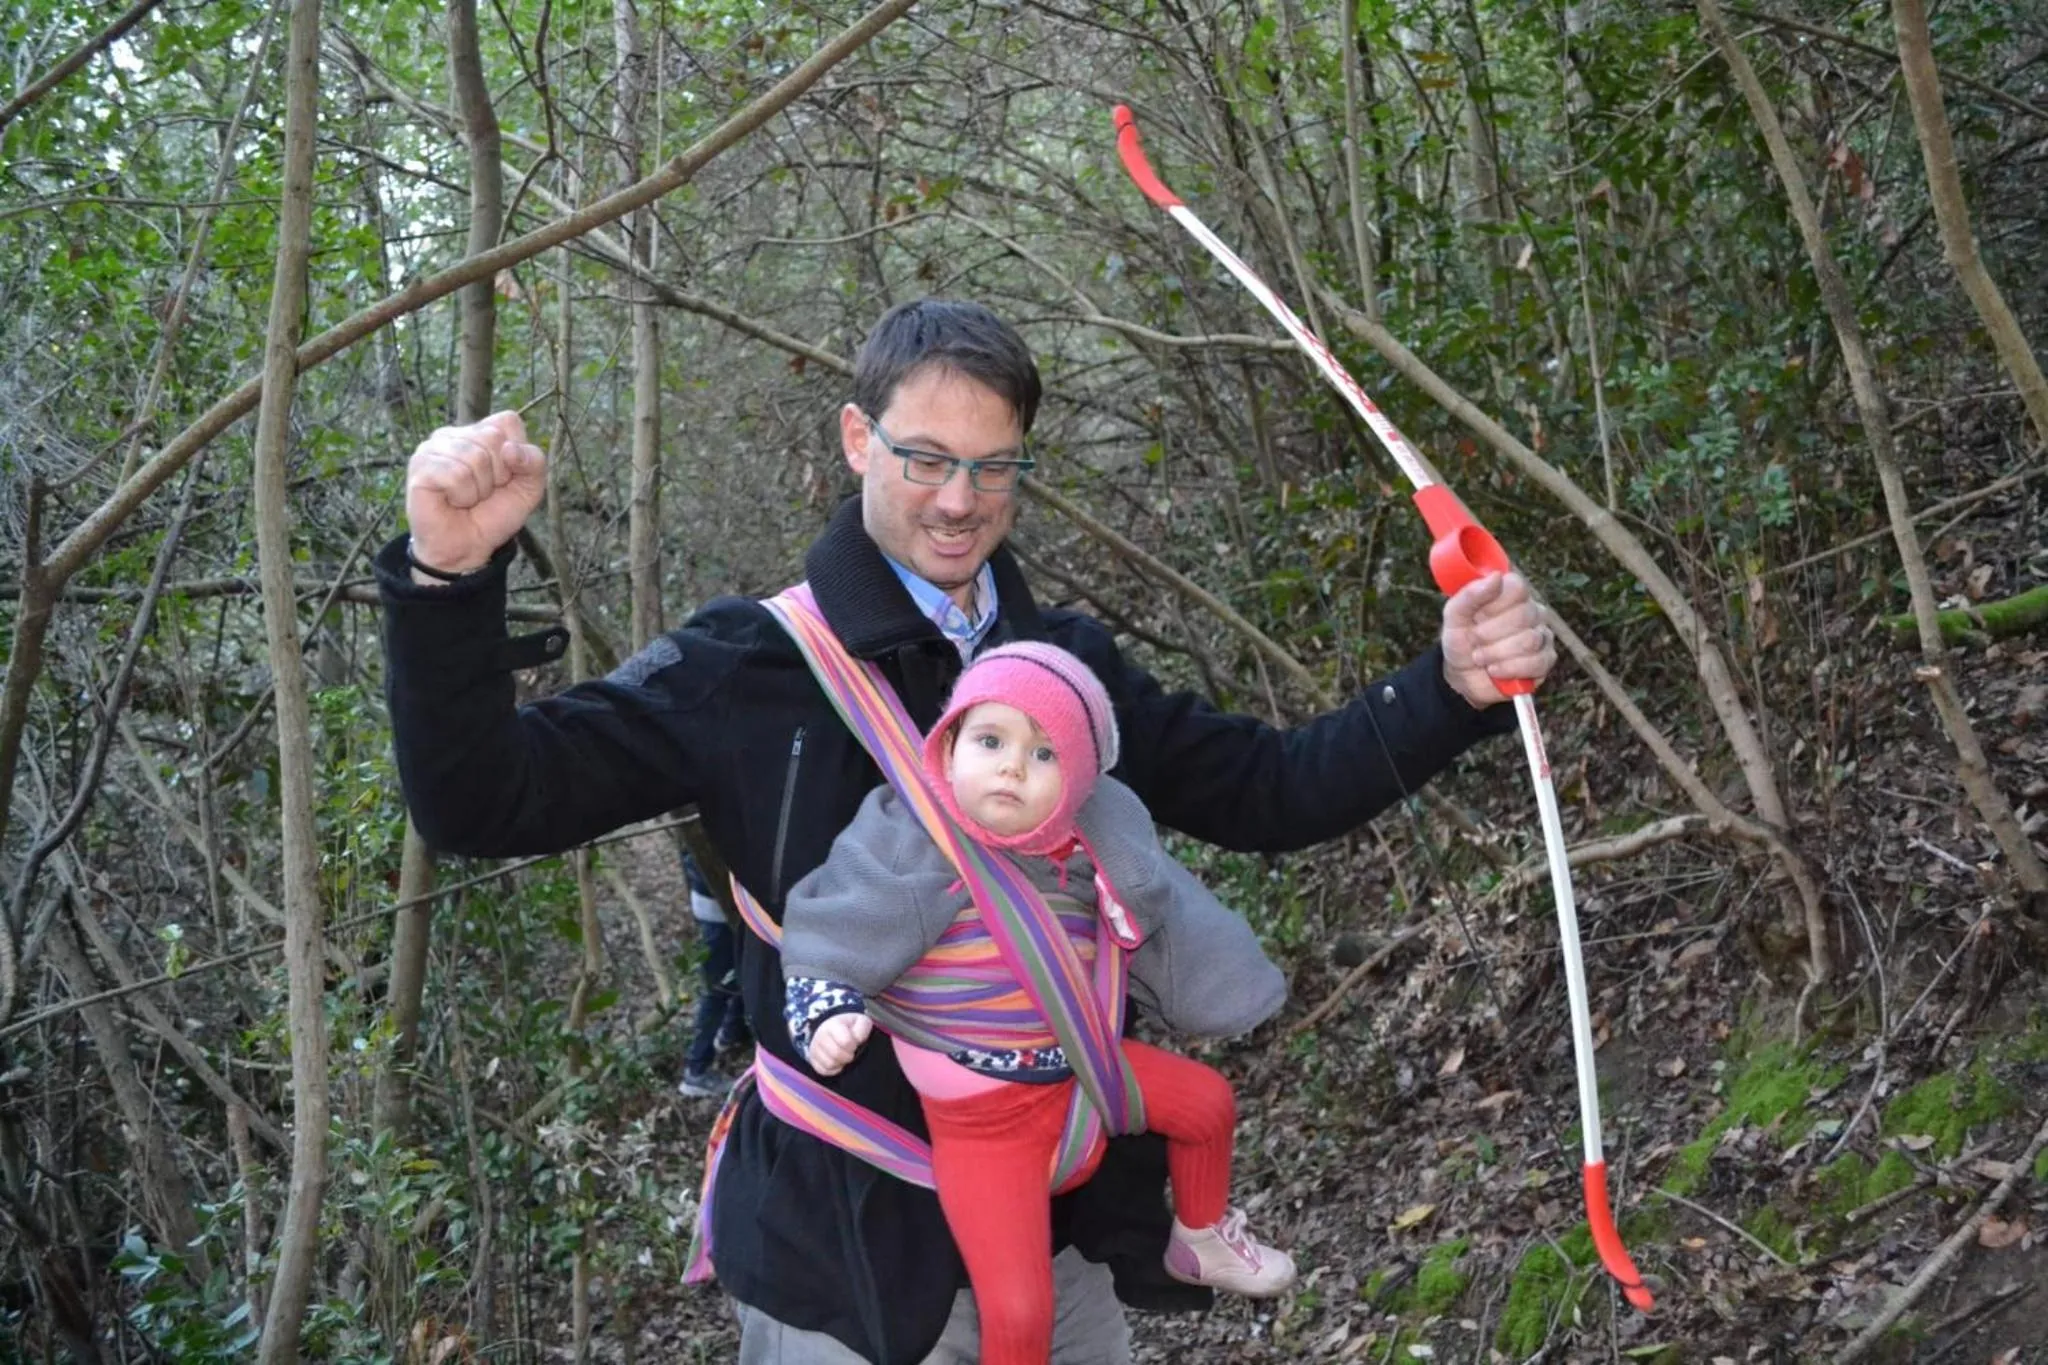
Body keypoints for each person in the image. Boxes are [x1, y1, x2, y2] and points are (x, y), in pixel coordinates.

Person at [377, 298, 1556, 1365]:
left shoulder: (1064, 675)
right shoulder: (747, 668)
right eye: (926, 459)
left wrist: (1447, 688)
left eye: (992, 468)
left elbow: (1267, 790)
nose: (957, 500)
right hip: (840, 1255)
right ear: (857, 440)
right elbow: (485, 802)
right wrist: (447, 584)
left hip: (1056, 1239)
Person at [782, 642, 1294, 1363]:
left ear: (1078, 781)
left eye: (1044, 754)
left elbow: (1160, 919)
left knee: (1207, 1102)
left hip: (1083, 1074)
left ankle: (1201, 1238)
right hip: (983, 1129)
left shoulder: (1087, 849)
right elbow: (836, 925)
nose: (1012, 768)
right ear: (949, 744)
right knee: (1020, 1311)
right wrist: (827, 1011)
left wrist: (1127, 911)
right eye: (990, 741)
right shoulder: (913, 840)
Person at [680, 851, 750, 1099]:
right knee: (717, 989)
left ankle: (731, 1032)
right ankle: (696, 1069)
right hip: (717, 908)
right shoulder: (703, 837)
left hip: (728, 907)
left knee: (741, 970)